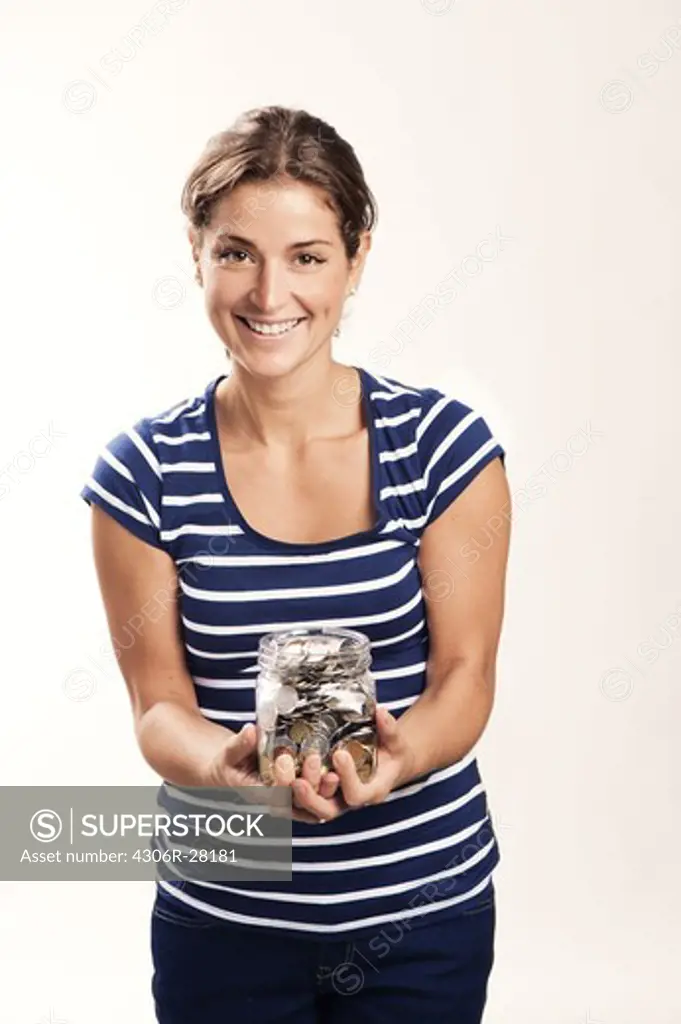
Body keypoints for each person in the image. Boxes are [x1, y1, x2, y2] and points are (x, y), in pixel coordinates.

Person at [80, 105, 511, 1024]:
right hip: (221, 919)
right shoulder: (143, 472)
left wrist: (402, 756)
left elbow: (466, 677)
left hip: (419, 913)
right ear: (195, 254)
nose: (269, 294)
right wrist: (226, 765)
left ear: (356, 260)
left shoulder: (441, 447)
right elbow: (158, 707)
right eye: (236, 252)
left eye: (307, 256)